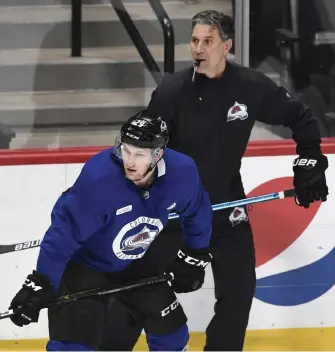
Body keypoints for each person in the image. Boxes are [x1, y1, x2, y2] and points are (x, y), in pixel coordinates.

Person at [99, 9, 329, 352]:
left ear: (227, 46)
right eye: (194, 41)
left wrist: (309, 161)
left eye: (208, 41)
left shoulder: (250, 87)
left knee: (238, 293)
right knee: (138, 297)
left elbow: (301, 117)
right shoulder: (171, 93)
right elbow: (141, 153)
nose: (198, 49)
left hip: (226, 210)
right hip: (173, 214)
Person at [7, 110, 214, 351]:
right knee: (71, 347)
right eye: (126, 150)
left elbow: (198, 211)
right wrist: (41, 283)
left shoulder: (183, 172)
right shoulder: (100, 179)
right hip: (86, 265)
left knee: (173, 333)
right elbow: (62, 236)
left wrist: (194, 255)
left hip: (137, 261)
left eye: (139, 154)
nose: (130, 161)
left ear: (158, 154)